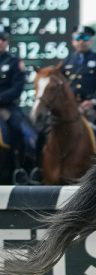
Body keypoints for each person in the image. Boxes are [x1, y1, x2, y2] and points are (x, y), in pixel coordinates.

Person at [61, 25, 96, 153]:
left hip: (93, 108)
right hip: (71, 107)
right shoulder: (66, 61)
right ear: (73, 41)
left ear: (91, 40)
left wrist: (93, 102)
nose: (81, 41)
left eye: (85, 38)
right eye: (78, 38)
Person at [0, 25, 29, 182]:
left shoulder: (15, 62)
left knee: (17, 128)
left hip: (7, 107)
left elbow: (17, 88)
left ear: (7, 41)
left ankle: (19, 168)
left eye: (3, 39)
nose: (0, 42)